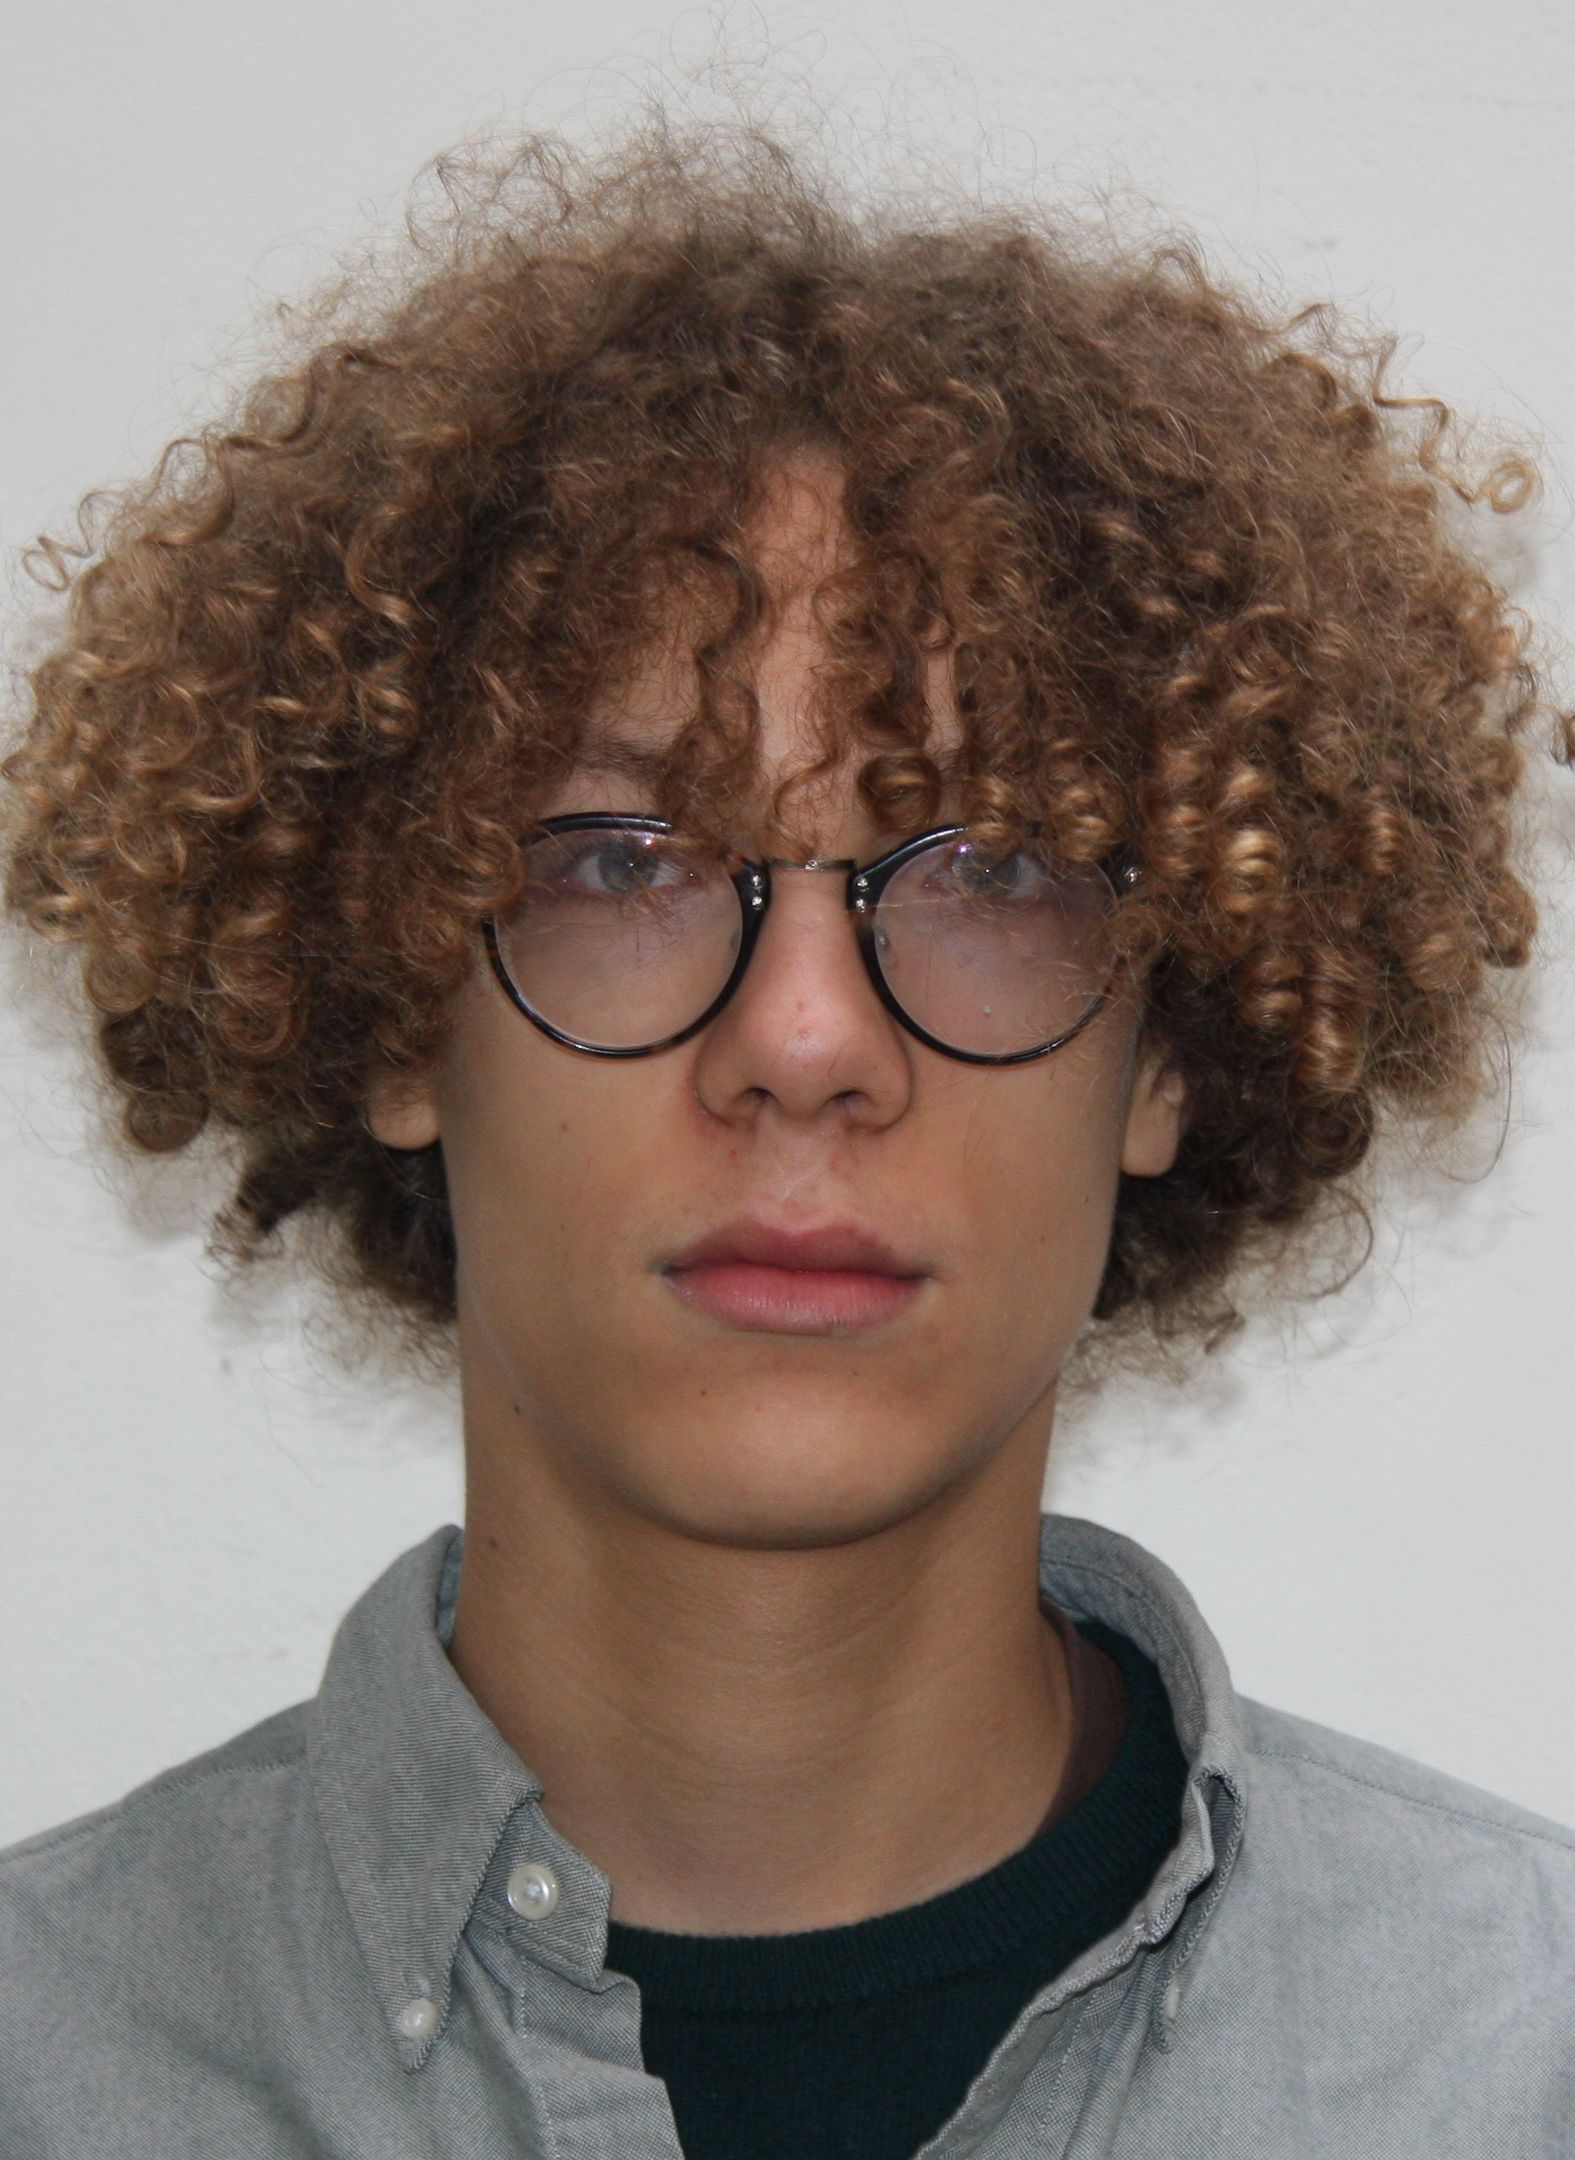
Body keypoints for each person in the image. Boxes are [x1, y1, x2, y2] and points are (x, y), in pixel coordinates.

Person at [1, 109, 1571, 2159]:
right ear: (392, 1005)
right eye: (621, 859)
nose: (808, 1040)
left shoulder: (1519, 2064)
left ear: (1168, 1058)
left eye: (990, 869)